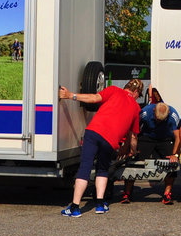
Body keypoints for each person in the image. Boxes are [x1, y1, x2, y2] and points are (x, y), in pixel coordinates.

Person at [57, 78, 143, 217]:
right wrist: (131, 150)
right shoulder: (136, 108)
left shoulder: (114, 90)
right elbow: (133, 136)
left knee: (85, 168)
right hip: (111, 141)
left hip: (94, 132)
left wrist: (70, 95)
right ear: (136, 92)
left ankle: (75, 207)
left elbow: (94, 98)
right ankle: (100, 204)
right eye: (139, 95)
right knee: (103, 169)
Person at [121, 100, 181, 204]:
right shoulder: (145, 113)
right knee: (134, 163)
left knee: (172, 164)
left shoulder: (173, 115)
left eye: (162, 120)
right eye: (157, 120)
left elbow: (178, 137)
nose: (159, 122)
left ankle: (167, 194)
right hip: (147, 137)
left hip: (165, 138)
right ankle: (127, 192)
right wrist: (130, 149)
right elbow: (133, 131)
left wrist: (174, 154)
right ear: (154, 111)